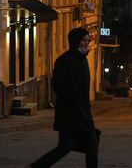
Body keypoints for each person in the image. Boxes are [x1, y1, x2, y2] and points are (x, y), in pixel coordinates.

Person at [31, 27, 99, 168]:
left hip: (83, 112)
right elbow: (59, 87)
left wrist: (86, 110)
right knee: (67, 146)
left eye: (87, 40)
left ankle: (37, 166)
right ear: (75, 42)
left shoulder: (83, 61)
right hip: (69, 113)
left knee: (87, 144)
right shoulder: (64, 61)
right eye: (83, 41)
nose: (86, 43)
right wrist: (74, 104)